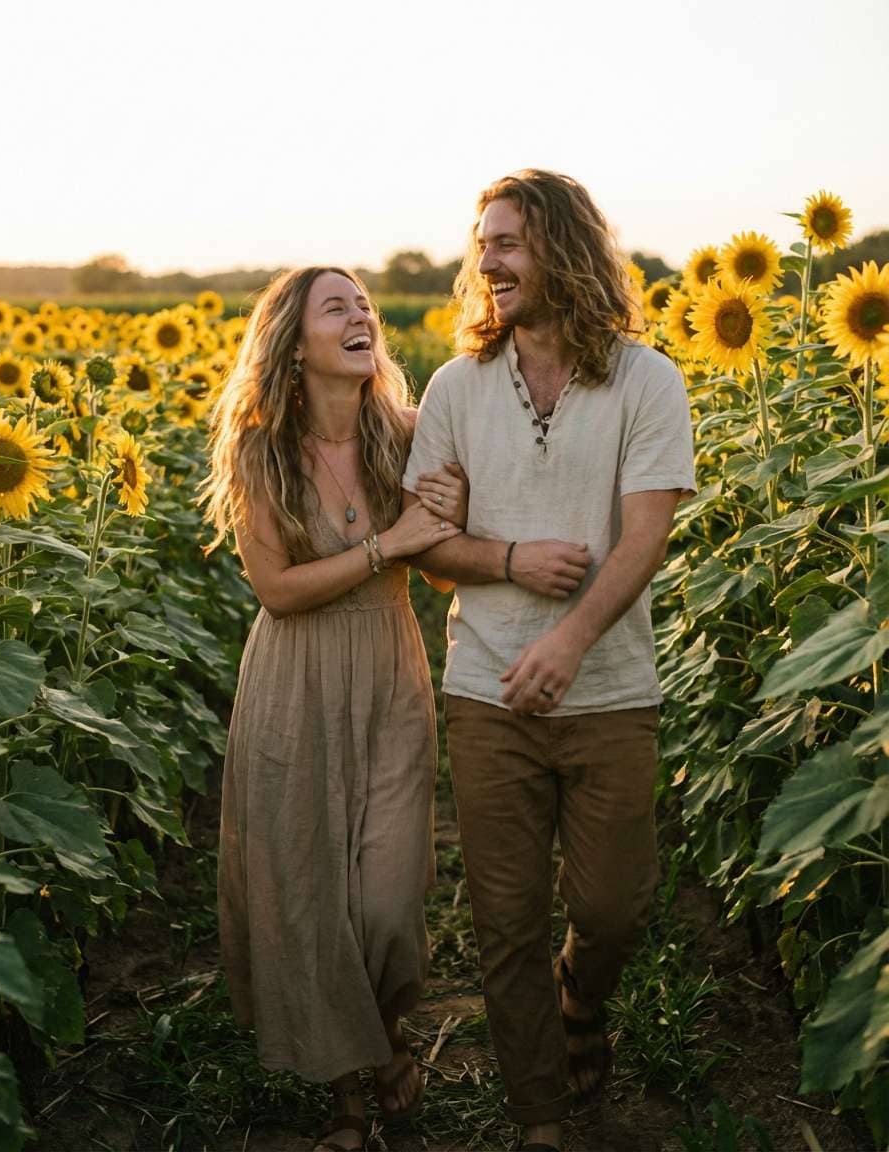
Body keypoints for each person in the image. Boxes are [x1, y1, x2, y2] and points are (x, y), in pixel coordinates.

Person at [401, 170, 697, 1152]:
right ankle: (539, 1115)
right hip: (485, 689)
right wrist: (509, 559)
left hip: (611, 689)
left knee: (612, 906)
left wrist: (569, 641)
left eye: (508, 243)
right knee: (505, 919)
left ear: (564, 250)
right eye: (481, 243)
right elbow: (429, 550)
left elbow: (644, 535)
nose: (486, 261)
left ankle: (583, 996)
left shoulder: (645, 381)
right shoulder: (453, 389)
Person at [199, 266, 468, 1152]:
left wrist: (448, 521)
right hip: (295, 679)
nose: (361, 316)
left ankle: (388, 1030)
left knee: (388, 898)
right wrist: (391, 541)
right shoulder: (259, 448)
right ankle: (348, 1094)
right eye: (336, 307)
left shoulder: (408, 432)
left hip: (389, 668)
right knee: (310, 890)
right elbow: (275, 589)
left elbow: (434, 568)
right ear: (294, 340)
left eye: (364, 305)